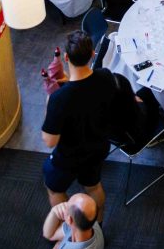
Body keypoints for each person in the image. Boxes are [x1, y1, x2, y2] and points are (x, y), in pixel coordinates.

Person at [42, 32, 133, 225]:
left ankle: (71, 228)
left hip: (69, 157)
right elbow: (85, 91)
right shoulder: (106, 77)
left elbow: (50, 141)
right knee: (93, 186)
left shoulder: (58, 99)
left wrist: (49, 101)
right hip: (98, 148)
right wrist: (67, 83)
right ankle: (97, 225)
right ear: (93, 53)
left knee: (55, 189)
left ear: (66, 57)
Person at [31, 193, 103, 249]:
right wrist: (54, 211)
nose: (63, 206)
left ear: (69, 220)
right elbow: (49, 234)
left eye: (67, 204)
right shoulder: (92, 225)